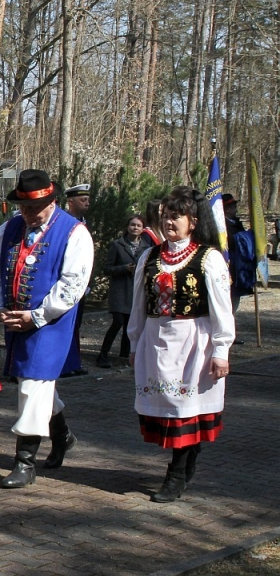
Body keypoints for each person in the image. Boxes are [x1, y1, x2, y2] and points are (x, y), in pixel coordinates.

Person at [0, 169, 94, 489]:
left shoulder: (74, 233)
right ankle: (62, 435)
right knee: (32, 383)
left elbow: (73, 285)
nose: (29, 214)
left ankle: (25, 461)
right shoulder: (7, 230)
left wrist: (37, 316)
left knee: (33, 383)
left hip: (52, 322)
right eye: (23, 207)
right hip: (14, 319)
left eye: (35, 208)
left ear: (52, 201)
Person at [127, 186, 234, 503]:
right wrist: (134, 343)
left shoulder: (208, 258)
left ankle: (175, 474)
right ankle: (185, 463)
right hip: (157, 340)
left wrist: (221, 350)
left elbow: (221, 308)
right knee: (170, 409)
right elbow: (138, 305)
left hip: (194, 342)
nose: (170, 222)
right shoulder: (150, 257)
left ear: (193, 221)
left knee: (185, 409)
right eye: (166, 217)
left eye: (177, 217)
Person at [96, 215, 145, 369]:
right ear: (127, 227)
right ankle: (102, 356)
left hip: (135, 292)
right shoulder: (117, 245)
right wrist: (124, 269)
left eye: (138, 225)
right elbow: (107, 269)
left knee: (129, 326)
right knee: (118, 322)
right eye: (132, 225)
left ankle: (124, 356)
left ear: (143, 229)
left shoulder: (146, 247)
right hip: (119, 291)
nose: (135, 228)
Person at [60, 182, 92, 377]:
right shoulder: (65, 223)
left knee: (76, 324)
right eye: (83, 199)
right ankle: (64, 363)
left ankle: (73, 362)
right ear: (71, 202)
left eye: (88, 199)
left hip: (82, 282)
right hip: (68, 282)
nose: (87, 203)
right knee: (66, 324)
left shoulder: (85, 222)